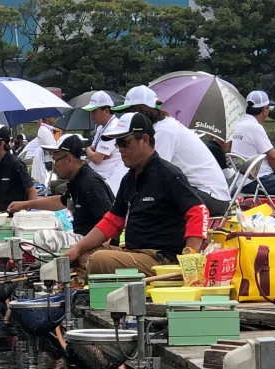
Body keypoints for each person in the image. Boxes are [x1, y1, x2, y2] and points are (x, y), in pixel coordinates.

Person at [64, 113, 210, 278]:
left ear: (145, 140)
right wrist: (78, 248)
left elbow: (199, 211)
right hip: (133, 254)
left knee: (98, 260)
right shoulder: (129, 178)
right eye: (118, 143)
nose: (120, 150)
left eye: (125, 143)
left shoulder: (167, 174)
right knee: (80, 256)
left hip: (159, 258)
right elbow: (113, 220)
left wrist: (189, 256)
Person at [113, 85, 231, 216]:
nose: (126, 116)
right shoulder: (163, 126)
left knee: (152, 196)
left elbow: (153, 175)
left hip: (212, 198)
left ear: (141, 111)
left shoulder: (164, 131)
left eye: (129, 111)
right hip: (205, 193)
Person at [7, 134, 115, 258]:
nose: (54, 165)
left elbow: (109, 221)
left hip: (93, 242)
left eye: (56, 160)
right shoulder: (78, 179)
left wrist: (101, 254)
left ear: (69, 159)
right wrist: (25, 204)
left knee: (42, 238)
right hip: (82, 236)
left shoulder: (90, 183)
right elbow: (60, 201)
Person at [231, 90, 275, 201]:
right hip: (260, 180)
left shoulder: (239, 125)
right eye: (268, 108)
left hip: (243, 182)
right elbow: (273, 156)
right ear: (265, 109)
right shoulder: (255, 127)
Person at [83, 91, 128, 196]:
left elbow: (97, 158)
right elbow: (94, 151)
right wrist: (92, 151)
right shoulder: (100, 128)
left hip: (107, 178)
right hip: (98, 174)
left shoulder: (114, 127)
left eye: (94, 112)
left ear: (106, 111)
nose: (91, 116)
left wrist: (88, 149)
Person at [31, 117, 57, 185]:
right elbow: (52, 147)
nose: (55, 118)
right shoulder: (44, 130)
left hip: (47, 158)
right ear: (48, 118)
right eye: (53, 116)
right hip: (46, 159)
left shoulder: (46, 129)